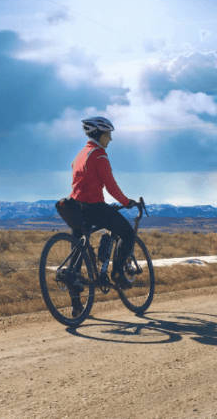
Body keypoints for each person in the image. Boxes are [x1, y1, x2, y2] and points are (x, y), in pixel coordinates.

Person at [68, 116, 136, 316]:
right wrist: (126, 202)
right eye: (108, 134)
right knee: (127, 233)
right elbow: (111, 185)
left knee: (77, 255)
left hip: (74, 207)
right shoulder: (99, 155)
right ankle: (117, 273)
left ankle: (76, 305)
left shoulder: (79, 155)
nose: (110, 139)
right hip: (93, 206)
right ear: (99, 134)